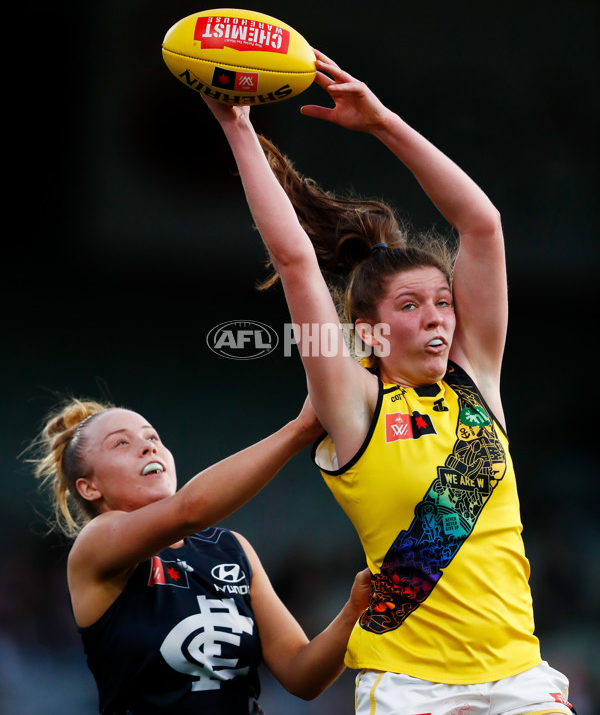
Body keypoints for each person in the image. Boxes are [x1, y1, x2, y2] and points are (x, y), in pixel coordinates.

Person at [202, 49, 575, 715]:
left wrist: (382, 122)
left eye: (442, 300)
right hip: (407, 688)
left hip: (521, 681)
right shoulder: (353, 405)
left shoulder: (475, 380)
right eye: (411, 306)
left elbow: (482, 224)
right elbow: (294, 262)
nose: (436, 316)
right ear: (371, 333)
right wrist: (237, 125)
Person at [31, 395, 370, 714]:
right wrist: (301, 430)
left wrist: (355, 610)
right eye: (122, 442)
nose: (148, 446)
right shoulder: (95, 544)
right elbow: (190, 509)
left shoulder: (231, 548)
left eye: (153, 437)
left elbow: (302, 675)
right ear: (89, 488)